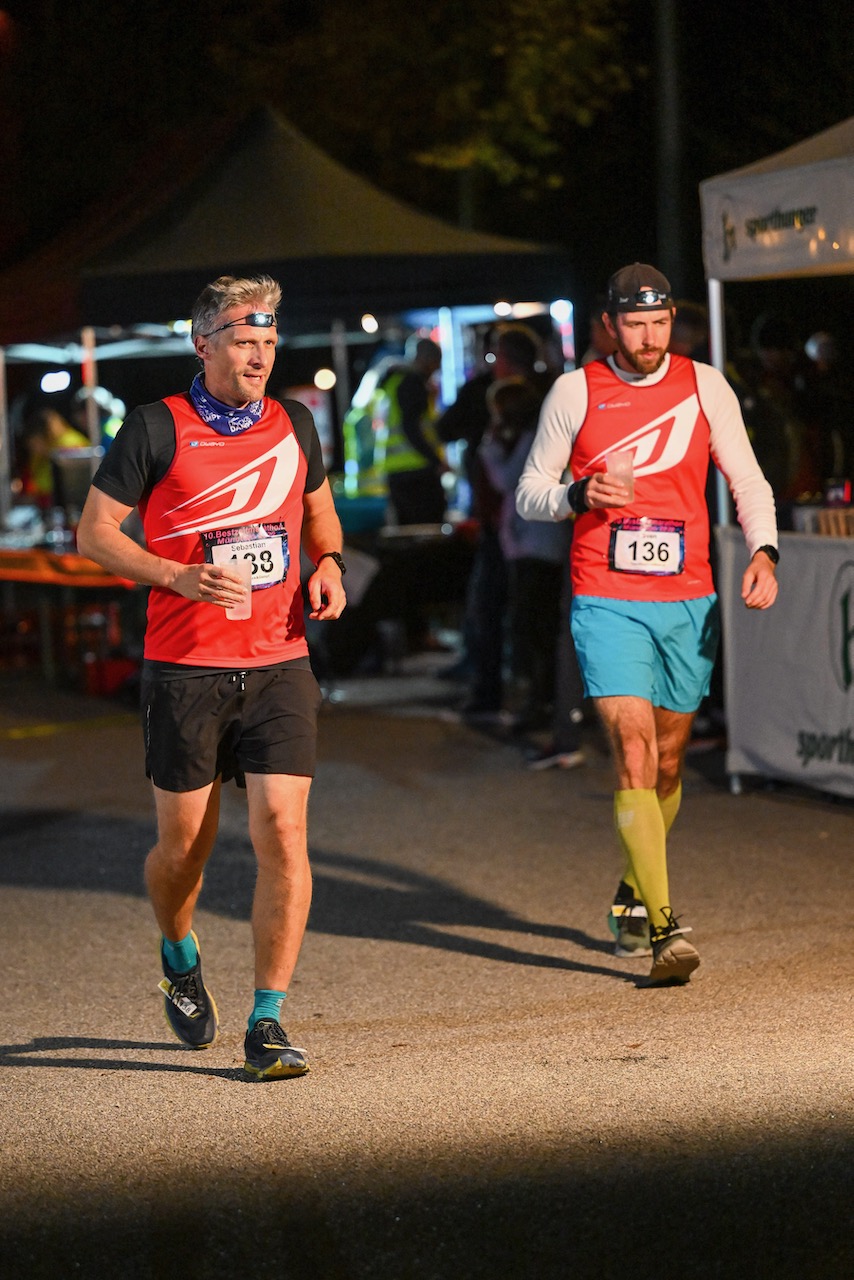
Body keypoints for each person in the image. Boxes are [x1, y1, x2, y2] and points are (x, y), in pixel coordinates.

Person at [76, 274, 347, 1080]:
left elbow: (319, 511)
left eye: (268, 341)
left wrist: (328, 563)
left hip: (278, 663)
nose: (260, 354)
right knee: (182, 854)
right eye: (243, 340)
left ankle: (267, 1021)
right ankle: (179, 950)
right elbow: (94, 534)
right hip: (185, 668)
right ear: (205, 344)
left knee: (284, 833)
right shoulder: (156, 427)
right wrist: (175, 576)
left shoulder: (296, 422)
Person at [516, 263, 779, 986]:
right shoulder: (576, 390)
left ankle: (634, 892)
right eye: (635, 324)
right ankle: (665, 930)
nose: (649, 337)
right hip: (605, 593)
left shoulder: (705, 384)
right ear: (609, 325)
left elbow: (747, 478)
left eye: (660, 323)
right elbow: (528, 495)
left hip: (687, 596)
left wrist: (764, 551)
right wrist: (578, 492)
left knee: (667, 762)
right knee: (631, 748)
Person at [380, 336, 446, 526]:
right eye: (435, 364)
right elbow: (412, 427)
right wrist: (435, 460)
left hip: (396, 471)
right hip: (417, 471)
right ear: (426, 359)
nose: (435, 370)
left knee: (406, 531)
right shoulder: (412, 383)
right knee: (429, 528)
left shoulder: (395, 381)